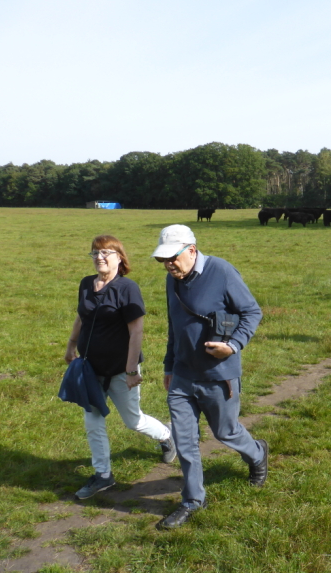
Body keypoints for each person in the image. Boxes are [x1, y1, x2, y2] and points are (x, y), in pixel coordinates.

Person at [151, 225, 267, 530]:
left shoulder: (221, 271)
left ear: (191, 250)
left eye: (172, 258)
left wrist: (232, 346)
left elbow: (252, 312)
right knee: (184, 441)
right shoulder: (171, 281)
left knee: (225, 432)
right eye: (163, 260)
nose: (168, 265)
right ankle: (192, 501)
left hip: (219, 376)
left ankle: (257, 453)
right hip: (183, 376)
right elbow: (173, 327)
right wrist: (168, 366)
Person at [65, 235, 176, 500]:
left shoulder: (127, 288)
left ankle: (166, 436)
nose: (99, 257)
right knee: (93, 421)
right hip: (91, 368)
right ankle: (103, 475)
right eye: (95, 253)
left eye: (106, 252)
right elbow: (82, 315)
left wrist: (130, 370)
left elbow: (136, 331)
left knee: (133, 420)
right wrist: (71, 345)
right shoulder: (86, 284)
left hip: (119, 368)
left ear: (119, 258)